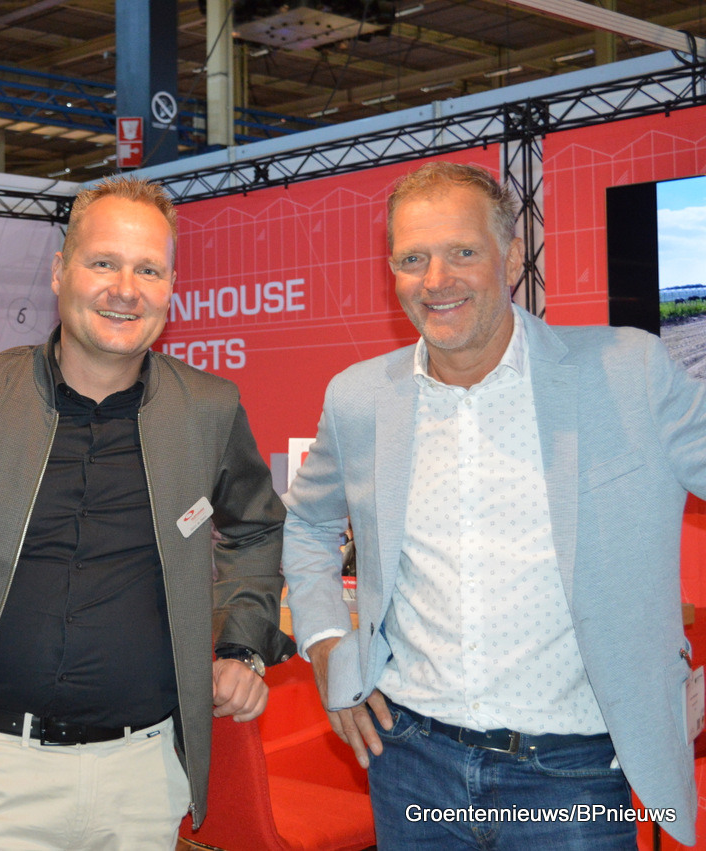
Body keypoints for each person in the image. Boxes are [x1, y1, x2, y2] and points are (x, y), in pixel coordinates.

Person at [0, 175, 287, 849]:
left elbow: (257, 526)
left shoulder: (208, 409)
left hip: (143, 780)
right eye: (104, 262)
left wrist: (243, 643)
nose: (125, 288)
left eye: (148, 269)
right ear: (61, 272)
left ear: (171, 287)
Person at [282, 161, 706, 848]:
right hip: (409, 759)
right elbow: (308, 521)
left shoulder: (629, 371)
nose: (436, 280)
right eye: (412, 259)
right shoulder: (358, 397)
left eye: (462, 252)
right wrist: (327, 642)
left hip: (572, 773)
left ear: (510, 259)